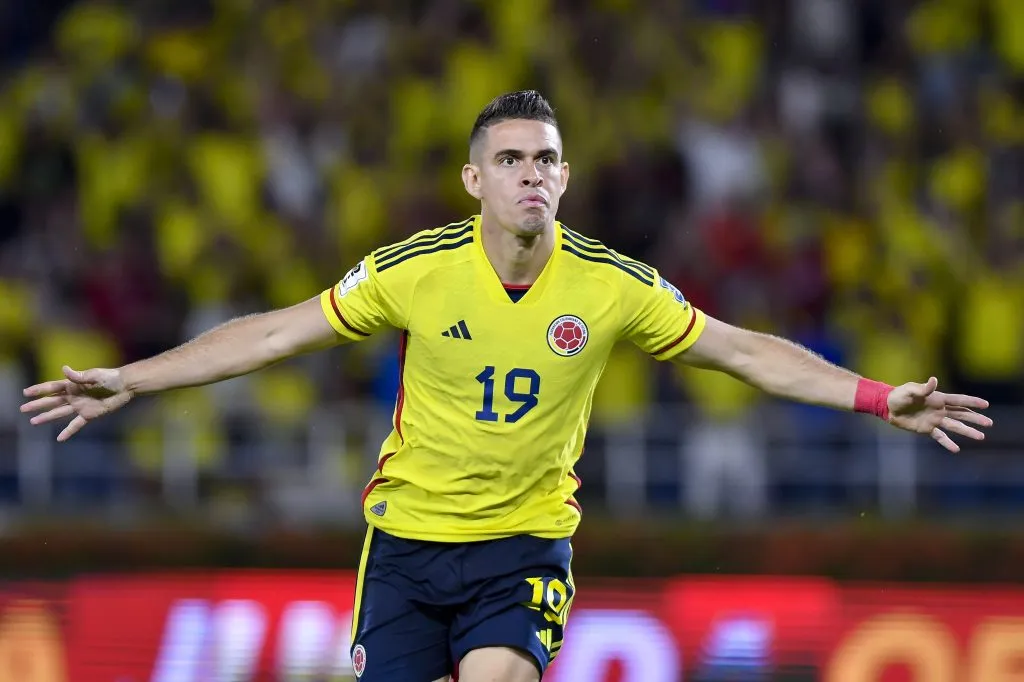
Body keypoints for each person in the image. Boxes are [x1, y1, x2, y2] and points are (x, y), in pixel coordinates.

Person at [20, 90, 992, 682]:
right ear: (473, 180)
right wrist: (132, 381)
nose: (532, 174)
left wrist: (875, 396)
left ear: (565, 179)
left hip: (520, 547)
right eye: (512, 160)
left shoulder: (613, 286)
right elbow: (276, 331)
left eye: (546, 160)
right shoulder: (413, 268)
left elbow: (741, 350)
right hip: (404, 545)